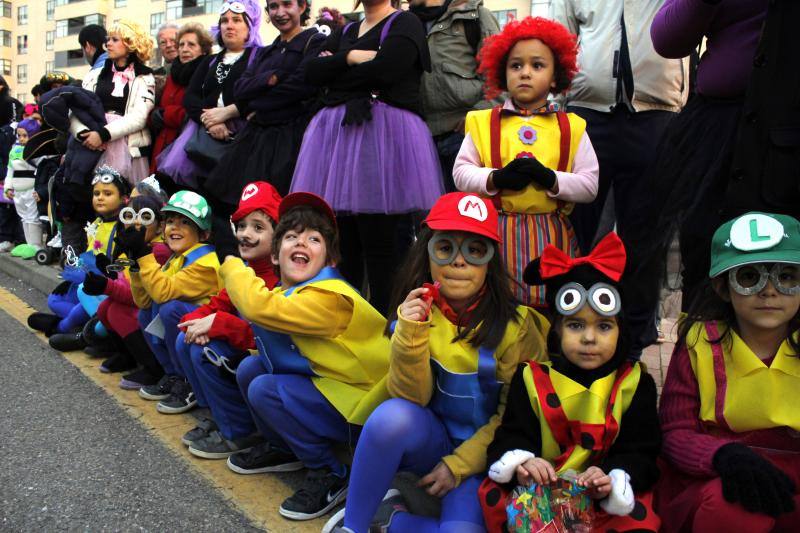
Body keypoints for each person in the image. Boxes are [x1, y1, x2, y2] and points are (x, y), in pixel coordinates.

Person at [323, 192, 550, 533]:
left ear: (491, 263)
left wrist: (458, 465)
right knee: (391, 417)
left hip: (489, 459)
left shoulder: (518, 329)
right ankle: (353, 526)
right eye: (445, 248)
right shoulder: (416, 313)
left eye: (475, 251)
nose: (459, 262)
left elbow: (514, 419)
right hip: (431, 441)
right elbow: (410, 399)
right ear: (427, 255)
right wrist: (410, 334)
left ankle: (391, 520)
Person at [220, 192, 391, 521]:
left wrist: (232, 263)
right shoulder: (289, 293)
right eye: (291, 236)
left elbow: (257, 306)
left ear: (329, 262)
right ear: (275, 255)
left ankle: (330, 472)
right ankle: (283, 448)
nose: (301, 242)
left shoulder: (330, 298)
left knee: (264, 388)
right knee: (251, 368)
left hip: (365, 413)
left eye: (314, 239)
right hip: (334, 391)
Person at [478, 232, 661, 533]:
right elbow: (512, 435)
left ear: (621, 330)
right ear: (557, 330)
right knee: (503, 504)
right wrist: (524, 464)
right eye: (575, 325)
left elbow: (642, 452)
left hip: (603, 502)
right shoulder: (531, 379)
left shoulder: (635, 384)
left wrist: (611, 477)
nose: (589, 338)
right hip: (541, 496)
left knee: (638, 521)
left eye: (604, 326)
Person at [623, 1, 771, 358]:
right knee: (706, 254)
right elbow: (669, 37)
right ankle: (698, 372)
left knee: (774, 259)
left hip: (780, 133)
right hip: (717, 130)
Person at [291, 0, 444, 315]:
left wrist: (335, 75)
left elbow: (387, 71)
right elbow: (310, 72)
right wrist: (350, 57)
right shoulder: (347, 30)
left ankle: (385, 321)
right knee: (345, 243)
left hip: (384, 141)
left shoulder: (405, 23)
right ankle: (350, 322)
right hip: (342, 142)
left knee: (381, 242)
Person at [656, 211, 800, 532]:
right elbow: (675, 433)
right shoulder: (699, 343)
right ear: (723, 287)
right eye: (749, 277)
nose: (769, 291)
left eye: (787, 276)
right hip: (720, 476)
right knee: (732, 508)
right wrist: (722, 455)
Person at [453, 17, 599, 308]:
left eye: (537, 65)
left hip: (551, 238)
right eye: (516, 66)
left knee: (550, 306)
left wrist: (551, 178)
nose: (525, 73)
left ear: (556, 76)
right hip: (496, 234)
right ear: (503, 72)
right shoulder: (482, 122)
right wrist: (495, 178)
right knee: (496, 307)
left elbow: (589, 185)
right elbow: (460, 173)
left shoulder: (572, 127)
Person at [550, 0, 688, 255]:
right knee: (573, 227)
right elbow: (557, 39)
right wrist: (553, 105)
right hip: (586, 108)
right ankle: (571, 279)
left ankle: (639, 284)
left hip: (657, 108)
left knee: (647, 233)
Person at [175, 182, 282, 458]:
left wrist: (218, 323)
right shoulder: (245, 269)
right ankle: (219, 414)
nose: (246, 234)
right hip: (248, 356)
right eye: (242, 226)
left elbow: (268, 338)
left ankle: (240, 431)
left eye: (258, 227)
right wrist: (194, 323)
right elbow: (216, 304)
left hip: (268, 365)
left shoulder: (280, 277)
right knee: (185, 339)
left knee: (205, 351)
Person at [124, 190, 221, 413]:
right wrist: (136, 265)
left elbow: (162, 292)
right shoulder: (177, 258)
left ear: (204, 234)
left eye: (185, 222)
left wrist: (143, 254)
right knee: (146, 313)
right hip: (191, 326)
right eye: (170, 221)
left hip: (210, 330)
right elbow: (144, 301)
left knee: (170, 308)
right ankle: (174, 375)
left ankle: (188, 382)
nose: (174, 227)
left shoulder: (206, 262)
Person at [156, 0, 263, 191]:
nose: (229, 25)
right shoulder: (210, 61)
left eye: (236, 20)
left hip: (243, 136)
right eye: (224, 21)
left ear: (250, 26)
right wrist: (210, 121)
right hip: (204, 134)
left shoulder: (260, 57)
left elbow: (261, 95)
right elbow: (191, 98)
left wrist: (228, 113)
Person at [27, 166, 129, 343]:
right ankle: (86, 324)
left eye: (108, 193)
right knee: (54, 300)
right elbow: (88, 257)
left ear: (124, 199)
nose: (100, 197)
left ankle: (62, 327)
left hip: (110, 287)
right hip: (89, 282)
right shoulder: (96, 223)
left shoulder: (124, 227)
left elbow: (122, 268)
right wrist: (74, 277)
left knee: (82, 303)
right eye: (96, 193)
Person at [82, 189, 172, 386]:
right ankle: (127, 356)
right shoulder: (131, 245)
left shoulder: (157, 251)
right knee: (104, 308)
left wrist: (106, 285)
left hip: (153, 308)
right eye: (129, 216)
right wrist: (109, 272)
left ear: (159, 227)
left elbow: (138, 295)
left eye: (145, 217)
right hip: (142, 302)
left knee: (117, 312)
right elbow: (125, 279)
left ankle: (154, 368)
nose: (136, 223)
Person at [409, 0, 501, 192]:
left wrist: (476, 114)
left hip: (464, 135)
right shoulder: (406, 22)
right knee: (432, 209)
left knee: (465, 207)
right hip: (420, 137)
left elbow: (499, 77)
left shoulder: (475, 16)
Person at [73, 20, 155, 188]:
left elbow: (139, 117)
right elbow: (76, 109)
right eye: (108, 39)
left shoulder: (144, 77)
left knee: (127, 197)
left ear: (130, 44)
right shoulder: (94, 75)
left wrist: (103, 135)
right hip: (92, 147)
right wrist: (83, 134)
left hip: (128, 148)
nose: (108, 44)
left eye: (115, 40)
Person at [149, 23, 213, 183]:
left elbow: (198, 111)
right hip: (163, 146)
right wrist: (155, 114)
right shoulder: (173, 74)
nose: (184, 49)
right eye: (181, 45)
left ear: (203, 50)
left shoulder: (209, 73)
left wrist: (165, 114)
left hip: (188, 149)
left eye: (191, 45)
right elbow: (159, 108)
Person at [5, 118, 43, 259]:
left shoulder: (39, 151)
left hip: (31, 189)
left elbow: (41, 170)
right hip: (18, 191)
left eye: (25, 135)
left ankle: (36, 245)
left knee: (33, 218)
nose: (21, 139)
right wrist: (8, 187)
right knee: (24, 217)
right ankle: (29, 244)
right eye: (19, 135)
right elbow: (10, 171)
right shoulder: (14, 150)